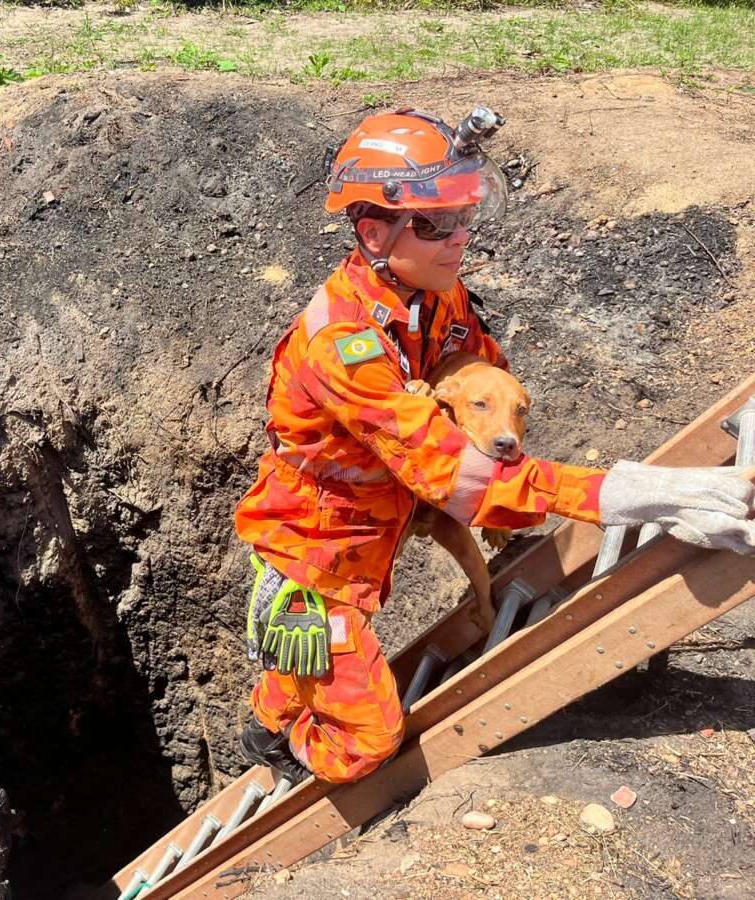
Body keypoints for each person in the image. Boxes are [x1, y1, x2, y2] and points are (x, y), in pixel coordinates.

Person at [234, 107, 755, 785]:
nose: (456, 240)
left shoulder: (434, 298)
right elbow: (458, 477)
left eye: (460, 219)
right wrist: (625, 493)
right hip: (311, 564)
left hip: (371, 537)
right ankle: (296, 745)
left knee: (313, 666)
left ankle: (272, 715)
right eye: (431, 224)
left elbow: (482, 380)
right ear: (372, 231)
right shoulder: (342, 344)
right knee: (370, 741)